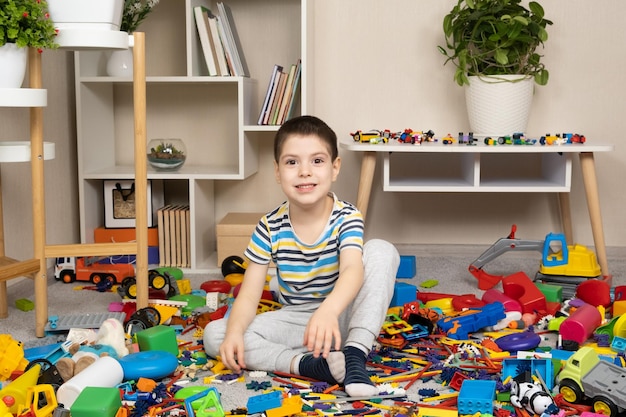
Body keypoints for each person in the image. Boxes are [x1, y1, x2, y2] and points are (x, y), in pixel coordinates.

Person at [204, 115, 399, 397]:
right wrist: (235, 332)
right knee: (216, 335)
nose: (304, 171)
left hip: (344, 313)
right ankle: (308, 365)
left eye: (317, 161)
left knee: (381, 249)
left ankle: (355, 354)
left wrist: (329, 310)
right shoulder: (269, 226)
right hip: (299, 323)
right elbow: (248, 295)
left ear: (335, 168)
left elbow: (352, 271)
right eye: (292, 162)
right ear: (277, 171)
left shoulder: (347, 216)